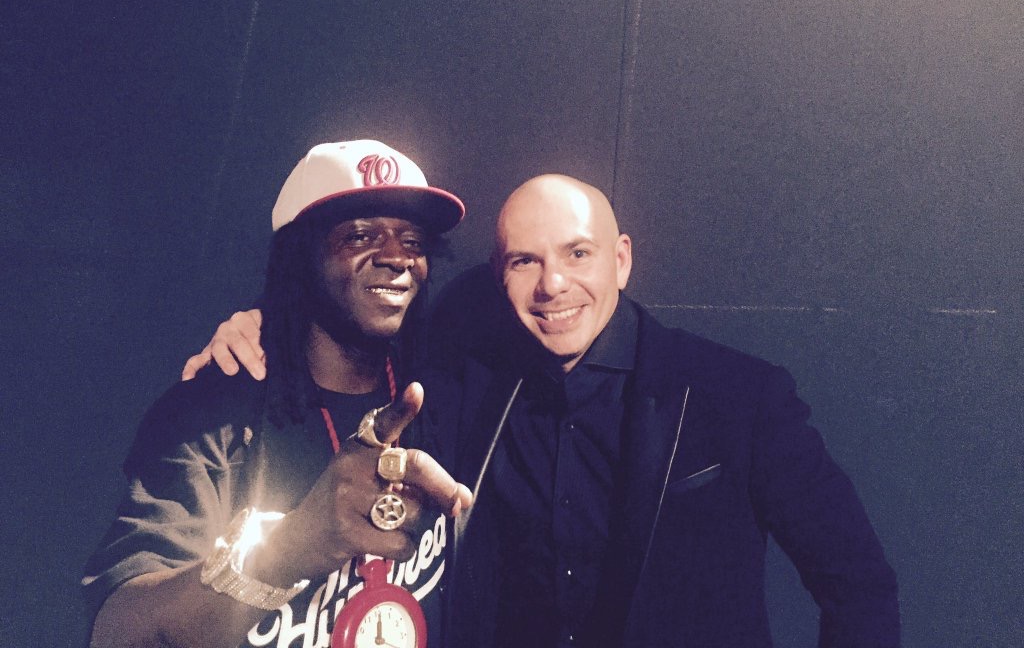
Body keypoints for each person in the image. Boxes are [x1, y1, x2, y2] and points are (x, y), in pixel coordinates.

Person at [187, 174, 901, 647]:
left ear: (621, 259)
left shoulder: (738, 395)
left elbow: (859, 585)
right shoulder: (471, 393)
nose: (552, 284)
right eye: (524, 261)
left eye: (578, 253)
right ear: (501, 277)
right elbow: (342, 337)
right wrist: (263, 326)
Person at [83, 139, 473, 648]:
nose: (397, 256)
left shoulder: (438, 393)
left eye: (412, 240)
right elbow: (117, 629)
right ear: (298, 257)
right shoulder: (213, 412)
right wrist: (290, 547)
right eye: (360, 235)